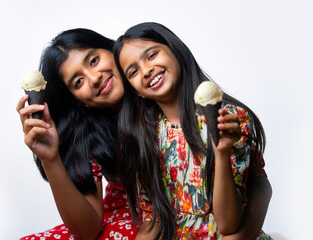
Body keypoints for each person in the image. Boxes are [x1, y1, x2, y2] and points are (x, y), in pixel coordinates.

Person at [113, 22, 272, 240]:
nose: (146, 70)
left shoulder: (227, 119)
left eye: (151, 55)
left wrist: (222, 154)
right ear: (135, 91)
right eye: (133, 71)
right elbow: (152, 220)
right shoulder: (144, 136)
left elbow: (228, 224)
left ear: (175, 50)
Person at [17, 29, 138, 240]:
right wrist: (50, 158)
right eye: (78, 82)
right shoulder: (92, 136)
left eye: (93, 61)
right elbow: (88, 231)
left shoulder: (157, 87)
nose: (94, 78)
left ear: (112, 50)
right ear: (76, 100)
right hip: (120, 223)